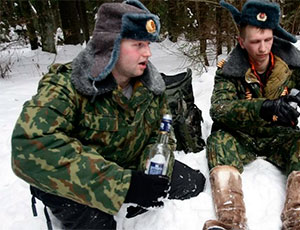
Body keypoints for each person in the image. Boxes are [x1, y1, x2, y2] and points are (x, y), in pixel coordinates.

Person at [11, 1, 205, 229]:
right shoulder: (67, 85)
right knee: (99, 224)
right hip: (76, 179)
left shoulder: (151, 85)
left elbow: (162, 133)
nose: (148, 52)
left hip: (128, 165)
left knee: (194, 184)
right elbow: (29, 147)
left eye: (148, 44)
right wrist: (125, 186)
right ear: (110, 45)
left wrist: (148, 174)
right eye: (139, 44)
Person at [203, 1, 300, 230]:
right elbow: (219, 109)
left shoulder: (291, 65)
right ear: (241, 42)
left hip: (280, 134)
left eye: (268, 40)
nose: (263, 48)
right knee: (218, 141)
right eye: (255, 42)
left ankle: (299, 220)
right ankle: (230, 221)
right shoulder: (229, 70)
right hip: (242, 137)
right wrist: (262, 107)